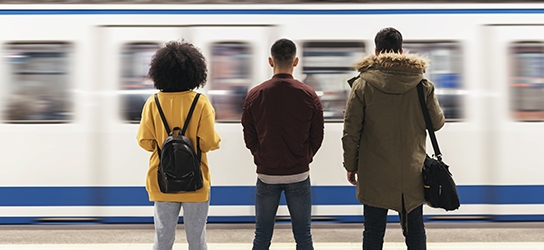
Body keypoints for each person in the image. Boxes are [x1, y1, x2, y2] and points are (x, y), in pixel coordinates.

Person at [342, 27, 445, 250]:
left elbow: (351, 132)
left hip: (374, 174)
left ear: (376, 52)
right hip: (412, 172)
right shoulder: (422, 85)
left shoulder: (362, 85)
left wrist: (351, 165)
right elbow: (436, 123)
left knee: (373, 232)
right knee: (415, 231)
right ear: (401, 50)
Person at [136, 40, 221, 250]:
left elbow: (145, 142)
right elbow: (209, 142)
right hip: (196, 182)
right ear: (194, 72)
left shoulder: (153, 103)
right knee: (197, 241)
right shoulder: (200, 103)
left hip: (162, 181)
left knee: (163, 239)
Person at [241, 38, 324, 250]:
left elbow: (249, 136)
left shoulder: (255, 94)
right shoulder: (308, 94)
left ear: (271, 61)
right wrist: (305, 157)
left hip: (266, 175)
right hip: (299, 175)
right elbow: (317, 136)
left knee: (262, 235)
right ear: (295, 61)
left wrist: (260, 155)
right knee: (303, 235)